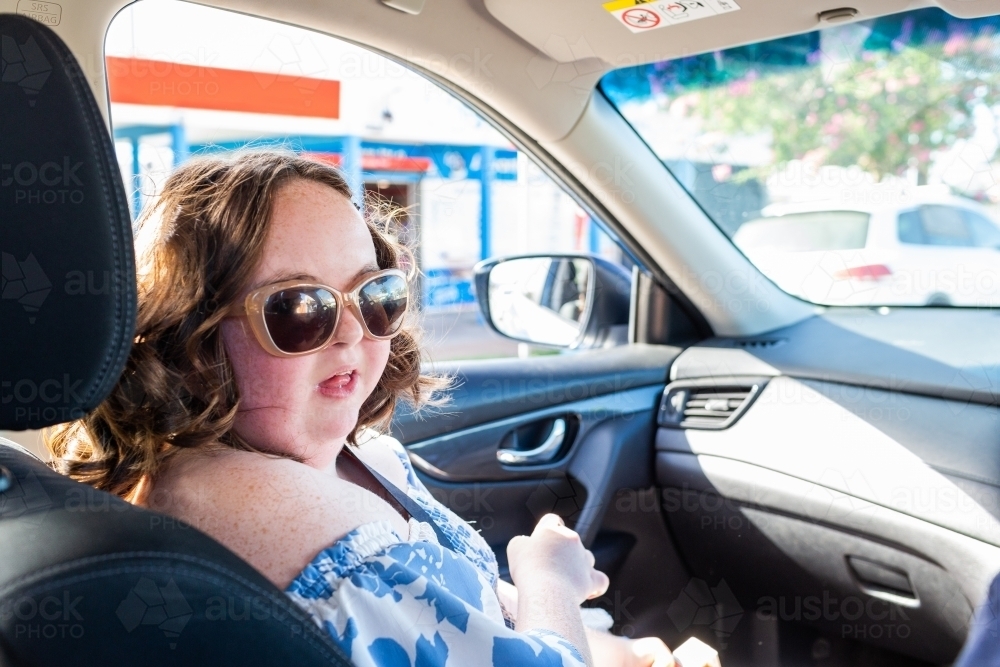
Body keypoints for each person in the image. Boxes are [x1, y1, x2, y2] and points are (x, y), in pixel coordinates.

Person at [45, 152, 673, 667]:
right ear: (189, 337)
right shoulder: (290, 527)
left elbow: (465, 617)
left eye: (375, 295)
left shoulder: (340, 460)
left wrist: (630, 654)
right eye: (297, 308)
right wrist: (551, 581)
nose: (353, 332)